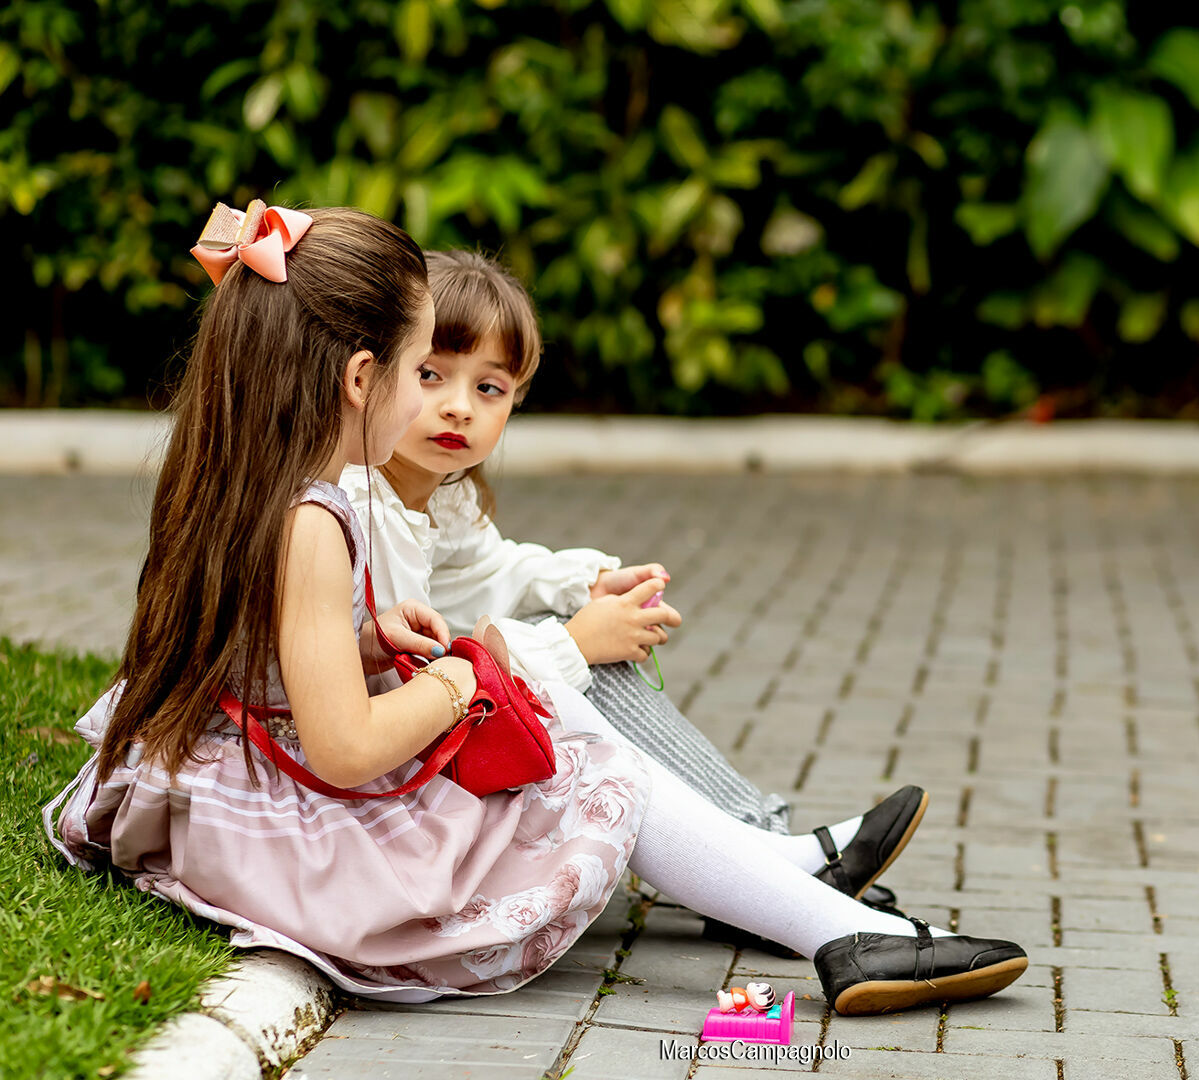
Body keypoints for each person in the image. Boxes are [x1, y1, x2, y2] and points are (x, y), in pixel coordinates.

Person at [45, 201, 1027, 1015]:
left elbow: (260, 650)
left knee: (564, 725)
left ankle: (817, 906)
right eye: (419, 366)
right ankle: (840, 930)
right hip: (301, 827)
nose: (434, 393)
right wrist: (464, 678)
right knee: (583, 752)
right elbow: (344, 747)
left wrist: (368, 639)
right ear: (359, 379)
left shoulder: (254, 478)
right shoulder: (315, 517)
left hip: (245, 772)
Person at [341, 250, 904, 955]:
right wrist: (575, 641)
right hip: (394, 755)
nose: (459, 405)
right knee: (569, 655)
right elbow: (409, 678)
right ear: (375, 372)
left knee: (576, 640)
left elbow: (487, 570)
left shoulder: (438, 492)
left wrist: (581, 588)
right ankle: (760, 857)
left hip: (425, 722)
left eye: (489, 387)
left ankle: (760, 847)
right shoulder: (363, 505)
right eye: (431, 375)